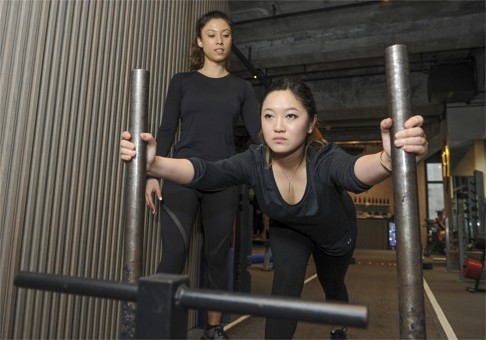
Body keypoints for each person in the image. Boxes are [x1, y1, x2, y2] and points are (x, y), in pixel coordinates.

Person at [121, 77, 428, 339]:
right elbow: (208, 172)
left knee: (333, 286)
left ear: (311, 124)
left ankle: (338, 331)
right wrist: (155, 164)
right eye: (269, 116)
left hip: (334, 234)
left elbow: (354, 171)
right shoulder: (255, 161)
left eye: (291, 116)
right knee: (283, 295)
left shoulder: (324, 158)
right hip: (289, 231)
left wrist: (389, 159)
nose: (278, 126)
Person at [144, 10, 260, 339]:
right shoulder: (182, 81)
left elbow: (258, 135)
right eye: (212, 34)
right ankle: (156, 327)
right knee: (174, 254)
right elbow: (166, 130)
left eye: (225, 34)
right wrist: (152, 175)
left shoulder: (241, 88)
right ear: (200, 41)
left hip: (222, 176)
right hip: (181, 174)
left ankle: (213, 328)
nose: (219, 40)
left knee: (217, 258)